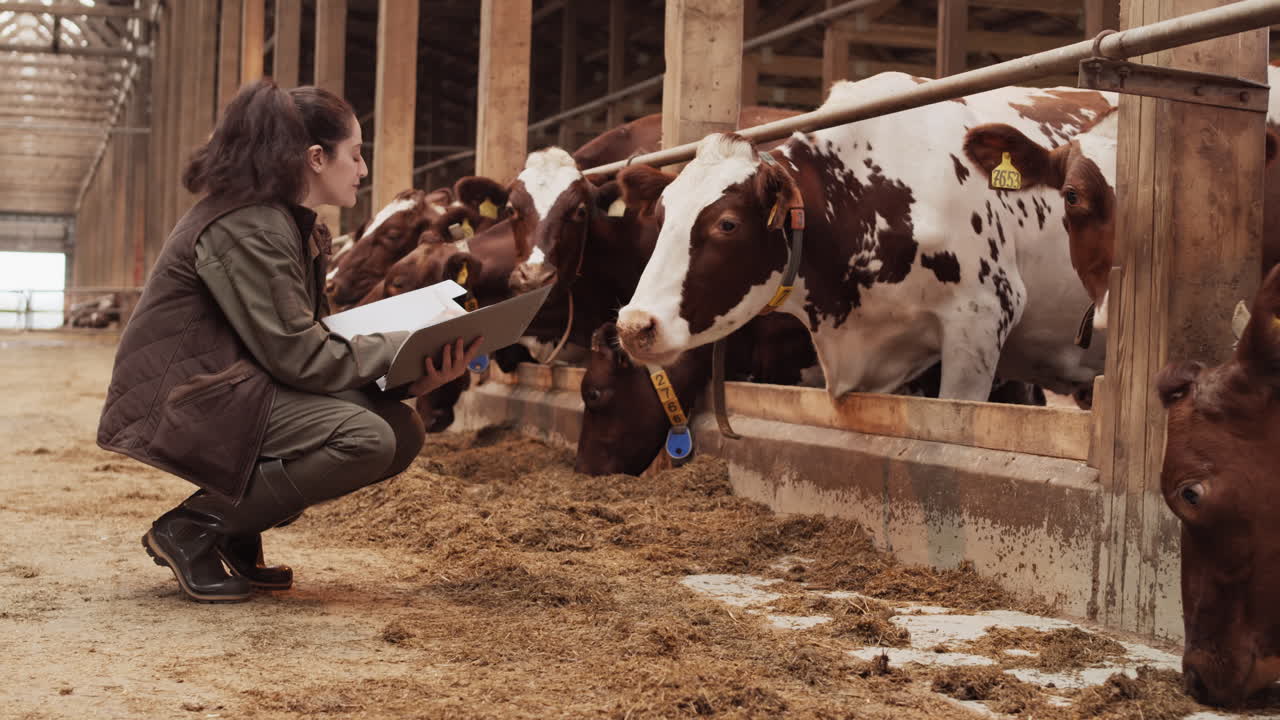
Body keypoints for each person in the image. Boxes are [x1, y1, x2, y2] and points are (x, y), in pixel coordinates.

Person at [96, 80, 482, 603]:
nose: (364, 170)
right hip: (186, 397)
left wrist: (414, 371)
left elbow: (309, 344)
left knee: (399, 429)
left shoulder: (284, 222)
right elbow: (301, 356)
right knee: (364, 438)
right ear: (317, 157)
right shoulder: (249, 226)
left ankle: (231, 531)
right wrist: (403, 342)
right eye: (357, 154)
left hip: (234, 384)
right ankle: (194, 528)